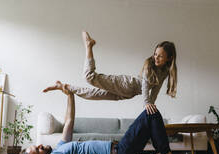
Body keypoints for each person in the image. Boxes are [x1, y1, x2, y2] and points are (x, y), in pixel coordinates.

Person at [16, 86, 189, 154]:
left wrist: (70, 95)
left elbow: (69, 121)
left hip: (120, 151)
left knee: (151, 115)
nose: (40, 145)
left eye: (36, 145)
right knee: (151, 113)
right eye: (37, 150)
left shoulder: (59, 148)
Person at [43, 31, 177, 115]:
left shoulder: (165, 72)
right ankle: (89, 46)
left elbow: (155, 91)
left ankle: (63, 86)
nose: (156, 58)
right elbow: (146, 86)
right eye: (155, 54)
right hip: (126, 84)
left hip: (128, 94)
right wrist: (147, 103)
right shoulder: (149, 65)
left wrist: (151, 106)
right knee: (89, 77)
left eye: (160, 56)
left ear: (169, 58)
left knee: (93, 95)